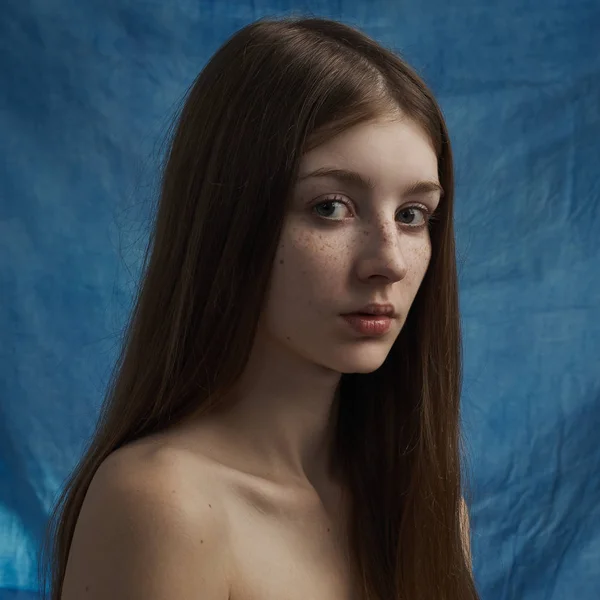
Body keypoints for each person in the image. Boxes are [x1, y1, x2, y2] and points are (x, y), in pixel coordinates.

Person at [39, 14, 479, 600]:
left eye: (412, 215)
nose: (389, 261)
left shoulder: (432, 515)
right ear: (230, 219)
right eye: (330, 207)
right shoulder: (165, 506)